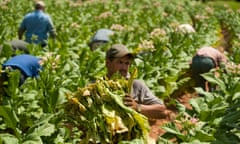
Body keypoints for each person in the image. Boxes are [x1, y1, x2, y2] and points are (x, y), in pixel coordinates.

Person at [105, 44, 168, 119]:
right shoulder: (95, 88)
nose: (124, 68)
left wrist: (137, 107)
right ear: (108, 63)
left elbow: (162, 111)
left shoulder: (136, 85)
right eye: (120, 62)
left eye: (127, 63)